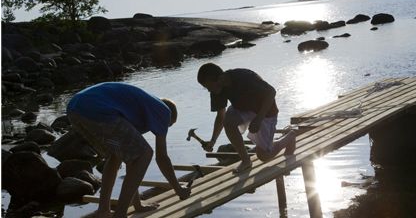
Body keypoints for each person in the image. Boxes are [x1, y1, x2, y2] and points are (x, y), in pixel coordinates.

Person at [66, 82, 190, 218]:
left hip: (76, 108)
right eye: (168, 126)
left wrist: (137, 205)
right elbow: (162, 158)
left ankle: (103, 211)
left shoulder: (138, 112)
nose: (163, 130)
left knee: (115, 156)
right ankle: (120, 214)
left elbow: (131, 161)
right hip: (97, 109)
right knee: (145, 154)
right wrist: (178, 189)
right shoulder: (163, 111)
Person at [197, 63, 296, 173]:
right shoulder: (216, 90)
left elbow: (271, 92)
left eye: (209, 87)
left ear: (220, 78)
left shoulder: (243, 76)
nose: (209, 91)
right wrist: (213, 140)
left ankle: (290, 137)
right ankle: (246, 161)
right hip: (243, 109)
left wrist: (258, 119)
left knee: (264, 156)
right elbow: (221, 116)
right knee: (228, 122)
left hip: (265, 110)